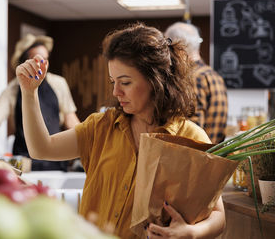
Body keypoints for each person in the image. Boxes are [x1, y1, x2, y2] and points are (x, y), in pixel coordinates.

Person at [16, 22, 226, 238]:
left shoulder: (190, 137)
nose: (116, 91)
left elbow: (219, 216)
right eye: (113, 81)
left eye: (125, 82)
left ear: (156, 81)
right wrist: (29, 92)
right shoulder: (100, 127)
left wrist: (191, 233)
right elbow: (41, 148)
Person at [0, 34, 80, 171]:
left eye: (45, 59)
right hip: (25, 164)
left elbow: (71, 120)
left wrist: (89, 144)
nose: (42, 64)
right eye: (36, 59)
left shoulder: (59, 84)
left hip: (56, 162)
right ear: (24, 61)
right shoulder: (12, 90)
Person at [165, 22, 228, 144]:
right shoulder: (214, 75)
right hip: (213, 155)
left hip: (198, 157)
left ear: (179, 45)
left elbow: (192, 130)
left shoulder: (191, 78)